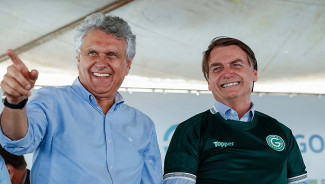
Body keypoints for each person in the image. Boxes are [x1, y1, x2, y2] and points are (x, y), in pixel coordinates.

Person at [0, 13, 162, 183]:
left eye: (112, 54)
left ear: (127, 64)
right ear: (79, 59)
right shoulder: (51, 102)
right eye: (92, 52)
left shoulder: (144, 125)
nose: (101, 62)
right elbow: (17, 142)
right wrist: (15, 103)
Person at [163, 37, 309, 184]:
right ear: (209, 82)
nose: (227, 73)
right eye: (217, 68)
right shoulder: (191, 131)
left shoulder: (281, 132)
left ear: (254, 74)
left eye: (236, 65)